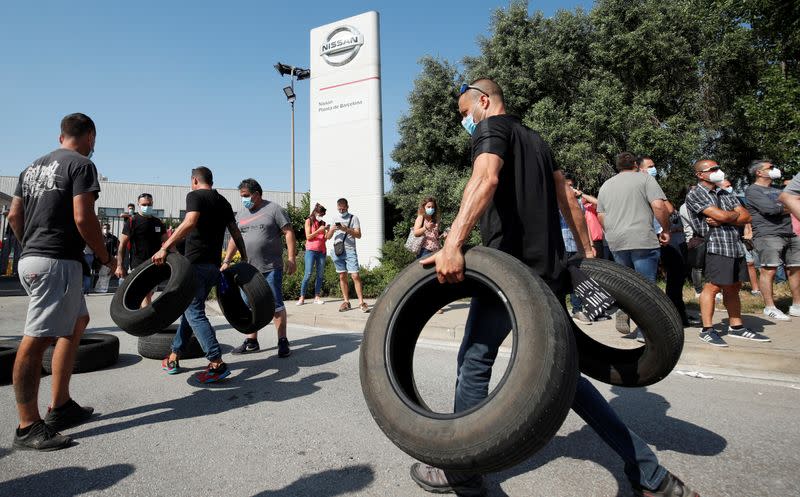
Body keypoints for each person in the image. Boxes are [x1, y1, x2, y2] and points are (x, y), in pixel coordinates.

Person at [409, 79, 697, 497]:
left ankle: (463, 470)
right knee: (565, 374)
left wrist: (453, 243)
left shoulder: (492, 130)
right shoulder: (537, 141)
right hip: (547, 273)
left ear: (483, 101)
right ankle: (651, 475)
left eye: (463, 112)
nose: (463, 121)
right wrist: (586, 253)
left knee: (474, 363)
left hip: (507, 274)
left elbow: (485, 179)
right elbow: (569, 197)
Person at [7, 113, 117, 451]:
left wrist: (30, 247)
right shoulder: (81, 165)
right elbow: (83, 217)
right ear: (90, 136)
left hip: (34, 257)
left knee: (77, 322)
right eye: (93, 141)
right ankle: (28, 427)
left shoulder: (30, 168)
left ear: (60, 137)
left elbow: (13, 215)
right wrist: (104, 256)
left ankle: (61, 405)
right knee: (39, 338)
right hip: (57, 261)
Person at [153, 166, 247, 383]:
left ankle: (216, 363)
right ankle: (175, 356)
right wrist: (244, 257)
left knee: (194, 312)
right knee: (190, 311)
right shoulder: (222, 201)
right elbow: (234, 231)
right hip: (212, 267)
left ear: (194, 180)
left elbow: (190, 222)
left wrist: (165, 246)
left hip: (194, 265)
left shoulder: (194, 195)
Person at [685, 159, 769, 346]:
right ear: (700, 174)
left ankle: (736, 326)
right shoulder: (695, 194)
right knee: (713, 286)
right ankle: (707, 329)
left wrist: (725, 218)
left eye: (718, 168)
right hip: (715, 245)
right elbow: (726, 215)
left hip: (734, 244)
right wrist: (731, 216)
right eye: (713, 169)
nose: (718, 171)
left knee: (734, 286)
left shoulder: (723, 191)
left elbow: (746, 216)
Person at [597, 152, 671, 338]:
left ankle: (625, 309)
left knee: (626, 283)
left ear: (618, 166)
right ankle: (645, 331)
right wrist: (665, 229)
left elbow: (601, 215)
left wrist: (612, 232)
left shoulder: (607, 185)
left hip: (616, 240)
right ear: (637, 165)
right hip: (641, 238)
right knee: (646, 285)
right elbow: (659, 206)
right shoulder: (645, 180)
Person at [222, 178, 297, 358]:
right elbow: (234, 239)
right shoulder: (240, 214)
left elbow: (289, 232)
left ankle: (282, 341)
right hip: (248, 271)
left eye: (246, 196)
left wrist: (292, 258)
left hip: (271, 267)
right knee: (248, 305)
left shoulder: (274, 209)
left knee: (276, 305)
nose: (243, 199)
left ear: (256, 194)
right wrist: (226, 261)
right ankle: (251, 341)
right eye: (242, 196)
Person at [636, 156, 699, 327]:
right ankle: (672, 315)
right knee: (672, 276)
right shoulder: (646, 185)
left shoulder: (643, 185)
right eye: (650, 166)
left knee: (661, 277)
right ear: (640, 168)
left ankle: (674, 313)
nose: (654, 169)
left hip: (653, 236)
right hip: (660, 236)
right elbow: (668, 208)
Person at [744, 160, 800, 320]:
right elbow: (770, 209)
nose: (775, 169)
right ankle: (770, 307)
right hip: (768, 234)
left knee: (795, 268)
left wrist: (785, 204)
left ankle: (797, 305)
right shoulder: (752, 191)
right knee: (769, 269)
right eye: (770, 167)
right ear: (759, 173)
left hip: (789, 233)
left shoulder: (778, 190)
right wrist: (790, 204)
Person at [115, 193, 167, 306]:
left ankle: (138, 315)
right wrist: (119, 266)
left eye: (149, 204)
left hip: (155, 264)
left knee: (149, 293)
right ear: (138, 204)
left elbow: (167, 243)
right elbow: (122, 245)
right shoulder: (132, 222)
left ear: (152, 204)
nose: (146, 206)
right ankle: (146, 321)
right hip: (138, 265)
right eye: (144, 204)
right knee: (146, 293)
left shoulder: (158, 222)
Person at [326, 198, 369, 313]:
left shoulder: (353, 218)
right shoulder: (335, 218)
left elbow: (358, 235)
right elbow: (328, 237)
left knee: (355, 276)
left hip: (350, 250)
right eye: (339, 208)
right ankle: (346, 301)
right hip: (338, 250)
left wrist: (346, 229)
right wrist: (332, 229)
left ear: (347, 206)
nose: (341, 209)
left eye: (343, 207)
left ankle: (361, 302)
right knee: (342, 276)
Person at [560, 174, 591, 324]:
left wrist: (588, 245)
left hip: (575, 245)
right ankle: (574, 309)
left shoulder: (578, 202)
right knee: (564, 279)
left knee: (578, 278)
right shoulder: (559, 201)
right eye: (568, 186)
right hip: (563, 244)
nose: (571, 188)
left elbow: (583, 224)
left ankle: (579, 309)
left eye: (572, 185)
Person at [297, 203, 328, 306]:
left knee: (320, 274)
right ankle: (302, 297)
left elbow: (325, 238)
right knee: (308, 273)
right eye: (320, 214)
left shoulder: (323, 223)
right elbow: (308, 237)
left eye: (323, 215)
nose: (321, 217)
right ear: (315, 212)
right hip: (311, 251)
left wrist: (329, 231)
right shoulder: (308, 221)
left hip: (322, 251)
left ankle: (317, 296)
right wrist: (319, 231)